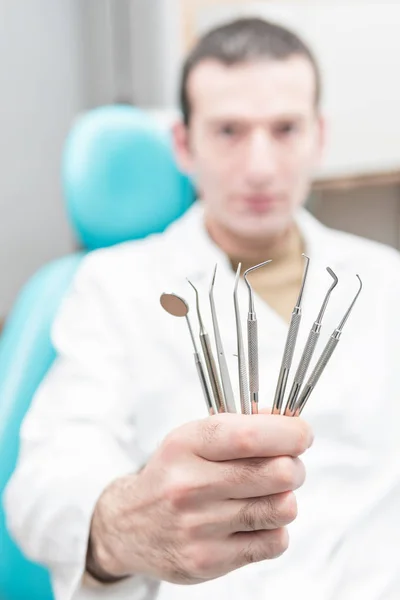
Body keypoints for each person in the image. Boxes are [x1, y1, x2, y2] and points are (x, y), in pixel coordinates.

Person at [4, 16, 400, 600]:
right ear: (184, 145)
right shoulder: (114, 285)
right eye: (230, 131)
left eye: (285, 129)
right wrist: (125, 527)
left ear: (319, 136)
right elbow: (43, 482)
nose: (260, 166)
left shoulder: (386, 278)